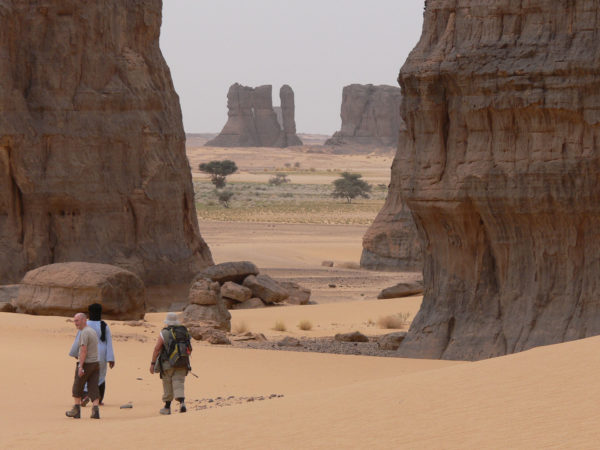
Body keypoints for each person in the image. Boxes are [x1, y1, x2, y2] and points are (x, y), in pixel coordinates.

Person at [69, 303, 115, 405]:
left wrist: (76, 353)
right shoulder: (104, 325)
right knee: (101, 376)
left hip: (88, 352)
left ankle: (85, 395)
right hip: (102, 354)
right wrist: (111, 358)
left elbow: (79, 340)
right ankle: (99, 400)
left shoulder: (86, 325)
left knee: (84, 374)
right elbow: (109, 342)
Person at [149, 312, 192, 415]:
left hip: (167, 364)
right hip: (182, 362)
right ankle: (182, 403)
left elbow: (157, 349)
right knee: (179, 383)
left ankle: (167, 408)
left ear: (167, 322)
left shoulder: (164, 333)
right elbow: (189, 348)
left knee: (167, 384)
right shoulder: (183, 332)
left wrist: (152, 363)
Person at [65, 312, 101, 419]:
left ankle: (76, 410)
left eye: (77, 320)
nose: (75, 323)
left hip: (87, 364)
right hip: (95, 364)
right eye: (74, 321)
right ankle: (95, 411)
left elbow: (84, 350)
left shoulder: (84, 333)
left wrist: (81, 366)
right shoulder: (92, 331)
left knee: (77, 386)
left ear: (84, 320)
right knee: (93, 386)